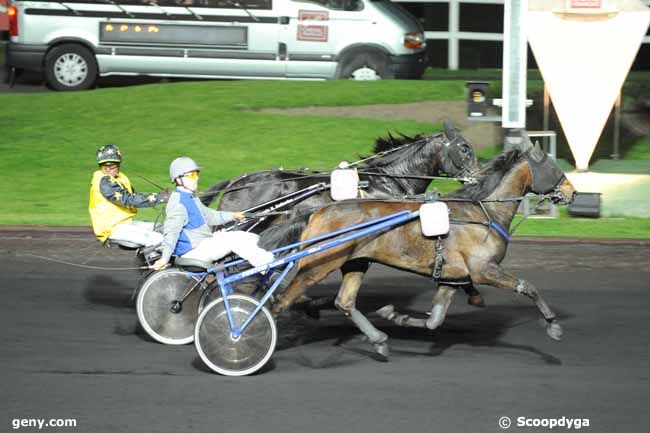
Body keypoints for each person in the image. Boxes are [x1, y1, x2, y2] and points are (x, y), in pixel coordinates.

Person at [152, 157, 275, 271]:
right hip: (193, 252)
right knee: (235, 240)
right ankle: (269, 267)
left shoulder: (190, 197)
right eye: (191, 175)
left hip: (203, 244)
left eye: (197, 174)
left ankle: (271, 261)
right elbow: (171, 232)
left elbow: (210, 216)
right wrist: (164, 258)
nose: (196, 178)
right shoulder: (178, 203)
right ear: (178, 179)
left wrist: (233, 215)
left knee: (248, 236)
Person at [88, 144, 169, 247]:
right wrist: (159, 198)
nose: (108, 170)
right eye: (104, 167)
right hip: (113, 228)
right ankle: (158, 262)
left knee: (164, 228)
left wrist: (159, 196)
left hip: (125, 223)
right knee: (159, 239)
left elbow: (134, 196)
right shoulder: (104, 181)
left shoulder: (120, 178)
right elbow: (128, 200)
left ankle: (150, 257)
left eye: (111, 166)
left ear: (118, 165)